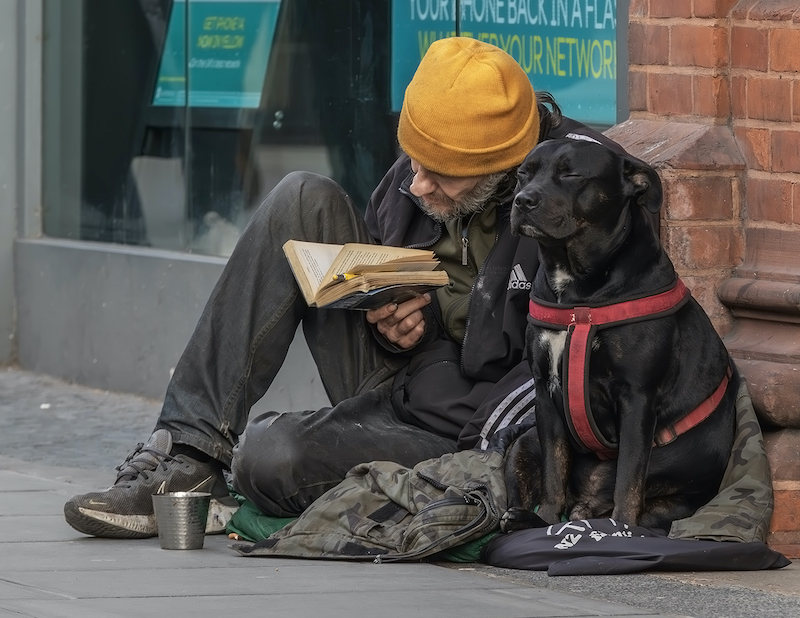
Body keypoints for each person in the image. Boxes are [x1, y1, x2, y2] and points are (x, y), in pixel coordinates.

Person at [61, 37, 647, 538]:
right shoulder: (419, 174)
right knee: (300, 196)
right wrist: (396, 328)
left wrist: (487, 459)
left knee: (269, 456)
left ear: (504, 168)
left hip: (482, 433)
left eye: (442, 174)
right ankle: (188, 454)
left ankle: (400, 478)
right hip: (401, 387)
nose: (418, 184)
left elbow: (590, 360)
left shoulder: (585, 191)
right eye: (413, 159)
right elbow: (389, 266)